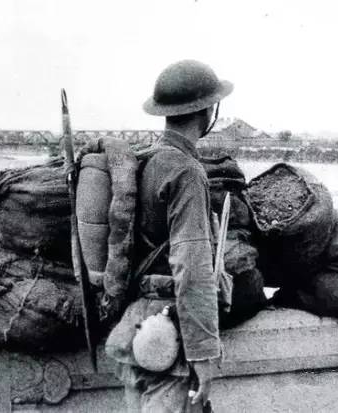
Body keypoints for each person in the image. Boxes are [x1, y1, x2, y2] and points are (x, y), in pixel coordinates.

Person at [105, 60, 239, 413]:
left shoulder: (145, 161)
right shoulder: (186, 171)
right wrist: (203, 354)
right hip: (171, 333)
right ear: (208, 111)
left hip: (139, 324)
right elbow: (192, 267)